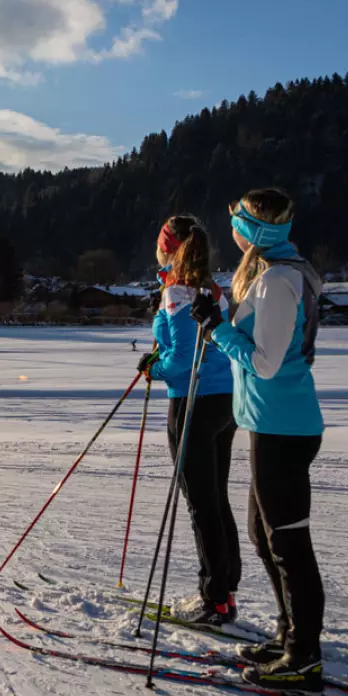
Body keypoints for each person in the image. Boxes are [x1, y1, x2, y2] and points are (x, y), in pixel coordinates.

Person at [191, 187, 325, 692]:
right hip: (268, 424)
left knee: (289, 546)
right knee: (264, 540)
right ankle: (289, 635)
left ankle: (304, 656)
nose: (233, 227)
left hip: (284, 427)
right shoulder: (271, 274)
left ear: (256, 230)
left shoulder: (278, 281)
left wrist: (217, 330)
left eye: (239, 219)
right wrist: (221, 315)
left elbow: (266, 363)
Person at [138, 215, 238, 626]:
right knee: (215, 499)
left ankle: (213, 598)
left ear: (167, 249)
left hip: (193, 403)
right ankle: (224, 594)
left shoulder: (176, 293)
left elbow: (180, 361)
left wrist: (153, 368)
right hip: (223, 402)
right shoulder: (213, 290)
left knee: (201, 504)